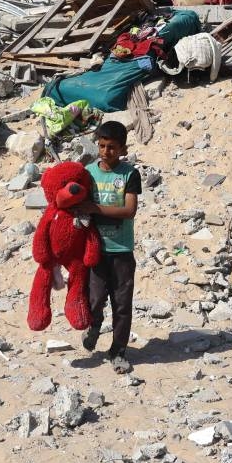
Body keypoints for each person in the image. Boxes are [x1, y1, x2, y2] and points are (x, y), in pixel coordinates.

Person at [76, 120, 141, 373]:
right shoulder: (88, 173)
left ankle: (119, 350)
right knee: (94, 299)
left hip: (121, 250)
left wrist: (96, 209)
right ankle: (94, 327)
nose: (106, 151)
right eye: (102, 146)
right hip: (95, 249)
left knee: (122, 304)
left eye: (112, 147)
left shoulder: (129, 174)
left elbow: (129, 210)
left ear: (123, 149)